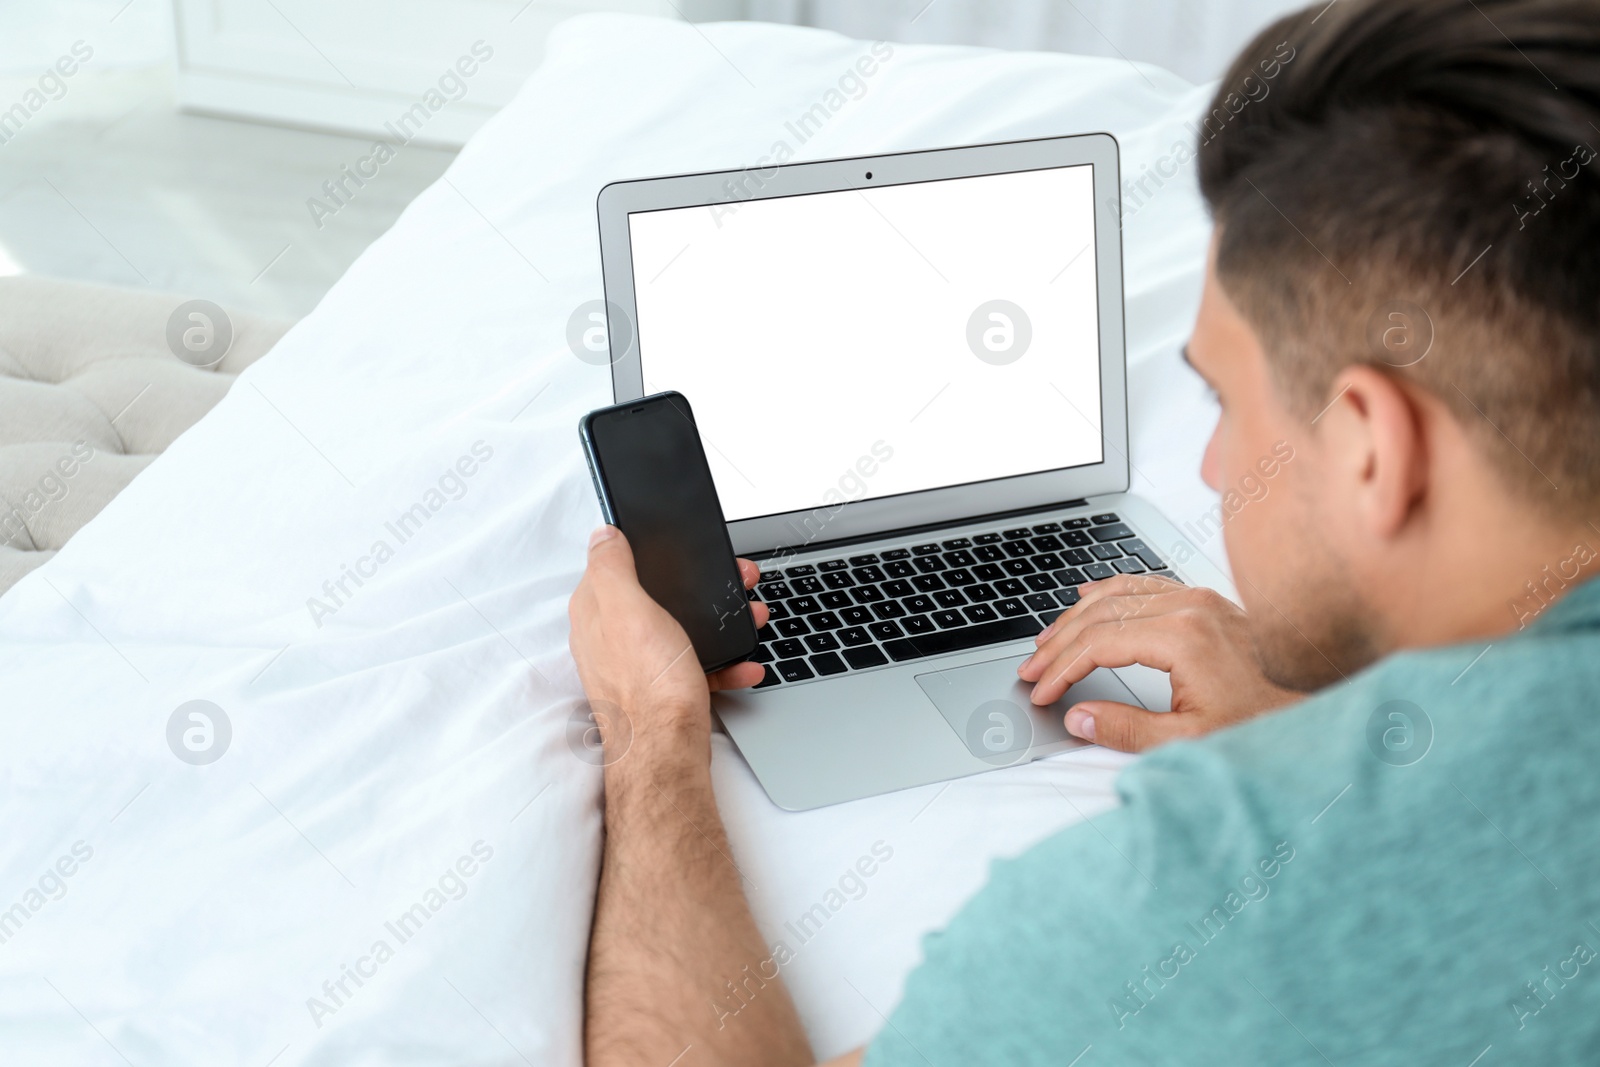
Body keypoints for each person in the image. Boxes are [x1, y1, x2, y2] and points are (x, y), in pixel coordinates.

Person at [566, 0, 1600, 1062]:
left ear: (1376, 449)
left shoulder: (1166, 921)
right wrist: (1304, 724)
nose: (1211, 470)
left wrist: (649, 734)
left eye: (1225, 404)